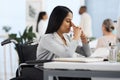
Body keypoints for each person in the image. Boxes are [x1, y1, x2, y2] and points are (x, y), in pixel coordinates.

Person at [36, 6, 91, 80]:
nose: (71, 24)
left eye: (71, 21)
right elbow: (67, 55)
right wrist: (76, 37)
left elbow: (87, 53)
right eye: (68, 21)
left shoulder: (66, 37)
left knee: (87, 74)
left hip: (63, 72)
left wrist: (84, 39)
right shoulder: (47, 38)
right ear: (58, 21)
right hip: (48, 74)